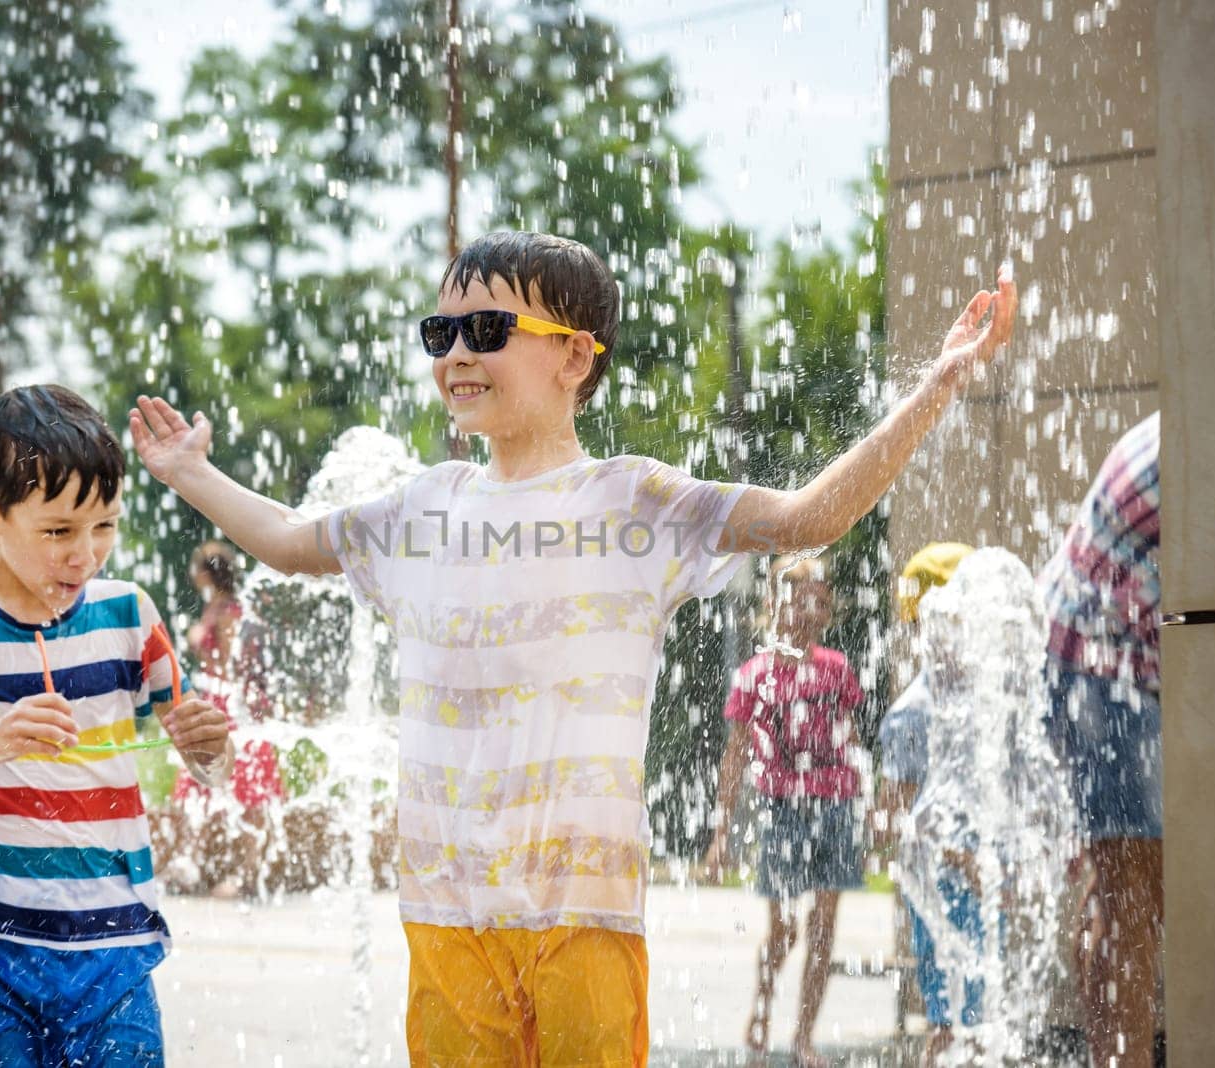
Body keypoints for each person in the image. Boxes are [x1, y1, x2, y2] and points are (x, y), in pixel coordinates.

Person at [128, 230, 1016, 1065]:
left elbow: (806, 518)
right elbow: (288, 538)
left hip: (583, 910)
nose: (456, 355)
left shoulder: (635, 503)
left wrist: (935, 386)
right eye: (442, 332)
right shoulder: (419, 511)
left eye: (485, 329)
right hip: (446, 910)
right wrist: (190, 472)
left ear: (574, 355)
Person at [0, 385, 234, 1067]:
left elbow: (210, 764)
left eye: (105, 525)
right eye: (59, 531)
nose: (85, 554)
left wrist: (211, 750)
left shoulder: (129, 615)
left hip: (113, 952)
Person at [701, 557, 866, 1068]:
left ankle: (802, 1036)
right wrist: (720, 833)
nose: (807, 606)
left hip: (836, 803)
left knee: (823, 927)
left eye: (817, 596)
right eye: (796, 596)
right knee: (785, 928)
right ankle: (762, 1010)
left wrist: (871, 799)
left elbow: (850, 736)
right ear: (775, 604)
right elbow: (735, 755)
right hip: (783, 807)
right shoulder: (755, 675)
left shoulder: (837, 669)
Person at [1039, 411, 1162, 1068]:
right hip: (1093, 663)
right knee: (1130, 890)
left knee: (1127, 886)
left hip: (1106, 662)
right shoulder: (1210, 432)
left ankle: (1113, 1057)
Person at [875, 542, 982, 1065]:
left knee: (979, 1021)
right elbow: (905, 818)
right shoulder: (913, 712)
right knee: (949, 1022)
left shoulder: (981, 698)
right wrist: (967, 865)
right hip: (946, 888)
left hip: (981, 875)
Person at [170, 540, 283, 897]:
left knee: (243, 790)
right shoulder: (222, 607)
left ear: (207, 573)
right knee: (203, 786)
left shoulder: (229, 612)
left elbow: (236, 661)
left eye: (196, 568)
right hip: (221, 702)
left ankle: (245, 875)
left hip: (228, 706)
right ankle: (193, 864)